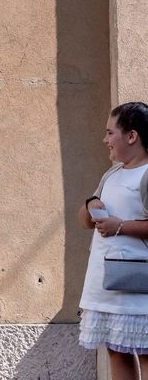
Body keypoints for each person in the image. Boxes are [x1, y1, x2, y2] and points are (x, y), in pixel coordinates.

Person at [78, 102, 148, 380]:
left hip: (138, 285)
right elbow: (86, 221)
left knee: (145, 352)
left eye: (110, 133)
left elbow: (121, 225)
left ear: (132, 136)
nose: (104, 140)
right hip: (106, 283)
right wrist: (91, 205)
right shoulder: (113, 173)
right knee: (117, 351)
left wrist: (121, 227)